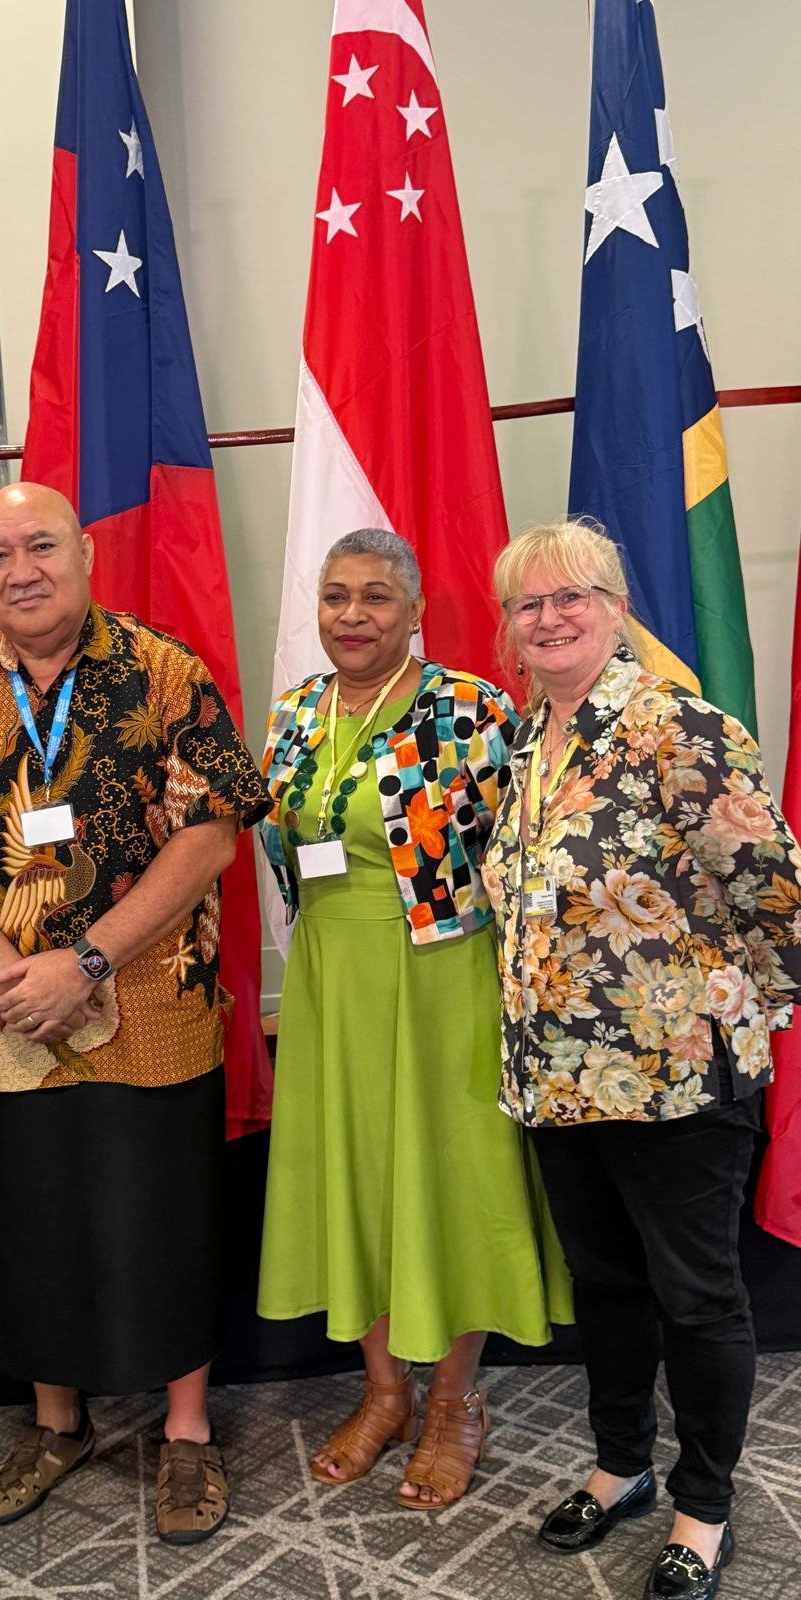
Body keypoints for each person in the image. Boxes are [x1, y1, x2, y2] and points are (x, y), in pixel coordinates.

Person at [0, 481, 271, 1545]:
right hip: (16, 1021)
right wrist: (14, 969)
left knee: (169, 1216)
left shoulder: (164, 671)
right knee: (35, 1220)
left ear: (84, 552)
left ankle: (187, 1432)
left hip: (154, 1005)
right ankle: (57, 1424)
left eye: (40, 545)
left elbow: (212, 834)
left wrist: (86, 958)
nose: (21, 570)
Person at [482, 519, 801, 1600]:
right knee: (607, 1285)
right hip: (558, 1080)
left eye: (575, 595)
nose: (552, 615)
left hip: (674, 1078)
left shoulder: (679, 727)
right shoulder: (530, 742)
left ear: (618, 610)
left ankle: (704, 1507)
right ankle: (621, 1465)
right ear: (511, 629)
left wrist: (751, 1015)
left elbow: (770, 884)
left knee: (699, 1295)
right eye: (530, 603)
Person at [257, 528, 572, 1511]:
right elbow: (278, 843)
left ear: (416, 609)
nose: (353, 615)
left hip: (442, 977)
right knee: (354, 1172)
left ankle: (453, 1406)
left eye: (377, 598)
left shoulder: (474, 709)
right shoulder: (295, 712)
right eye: (336, 595)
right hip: (329, 975)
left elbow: (525, 854)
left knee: (445, 1175)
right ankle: (384, 1390)